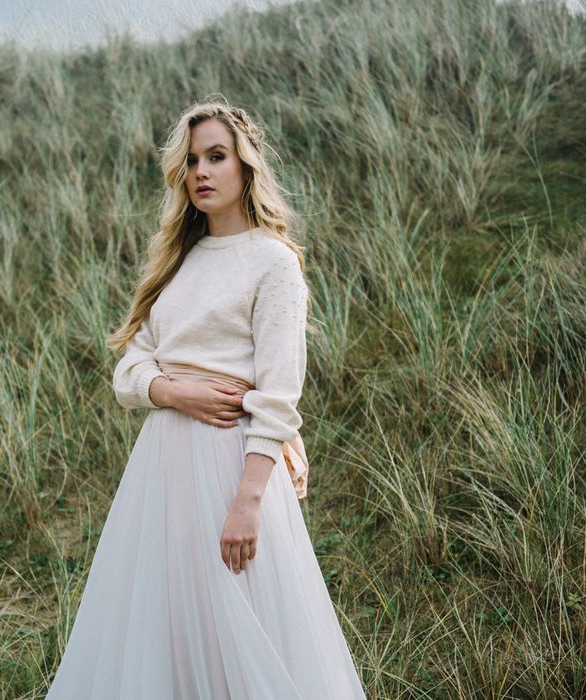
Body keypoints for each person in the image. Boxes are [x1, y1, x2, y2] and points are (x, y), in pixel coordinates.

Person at [45, 98, 367, 699]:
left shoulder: (273, 263)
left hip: (234, 467)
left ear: (246, 167)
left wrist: (248, 502)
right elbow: (130, 369)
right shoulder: (180, 261)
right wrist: (174, 390)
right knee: (166, 617)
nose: (201, 171)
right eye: (192, 160)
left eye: (217, 157)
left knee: (245, 619)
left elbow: (278, 395)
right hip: (162, 470)